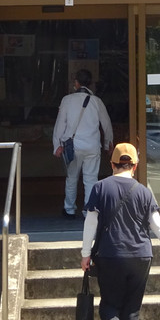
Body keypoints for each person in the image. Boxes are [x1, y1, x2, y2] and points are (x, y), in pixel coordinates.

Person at [81, 142, 160, 320]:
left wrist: (85, 254)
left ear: (112, 164)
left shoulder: (100, 188)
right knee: (132, 312)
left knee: (110, 307)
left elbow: (90, 223)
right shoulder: (144, 192)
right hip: (141, 256)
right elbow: (157, 224)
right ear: (135, 166)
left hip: (110, 254)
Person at [53, 69, 113, 219]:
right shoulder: (97, 101)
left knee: (72, 178)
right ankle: (89, 211)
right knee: (91, 179)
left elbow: (60, 124)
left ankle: (69, 209)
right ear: (90, 83)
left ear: (76, 83)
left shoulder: (67, 100)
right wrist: (108, 144)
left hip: (72, 146)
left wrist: (57, 144)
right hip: (92, 146)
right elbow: (106, 125)